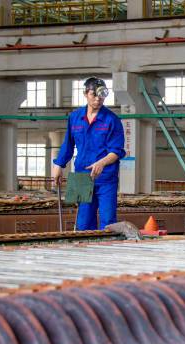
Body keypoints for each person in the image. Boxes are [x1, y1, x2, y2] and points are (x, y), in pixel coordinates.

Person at [52, 77, 125, 230]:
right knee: (83, 224)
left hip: (105, 177)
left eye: (102, 96)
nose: (98, 100)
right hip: (81, 175)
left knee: (108, 223)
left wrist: (102, 163)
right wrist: (59, 165)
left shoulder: (112, 120)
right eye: (94, 95)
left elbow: (116, 151)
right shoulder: (75, 117)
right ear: (85, 93)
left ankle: (107, 253)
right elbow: (68, 144)